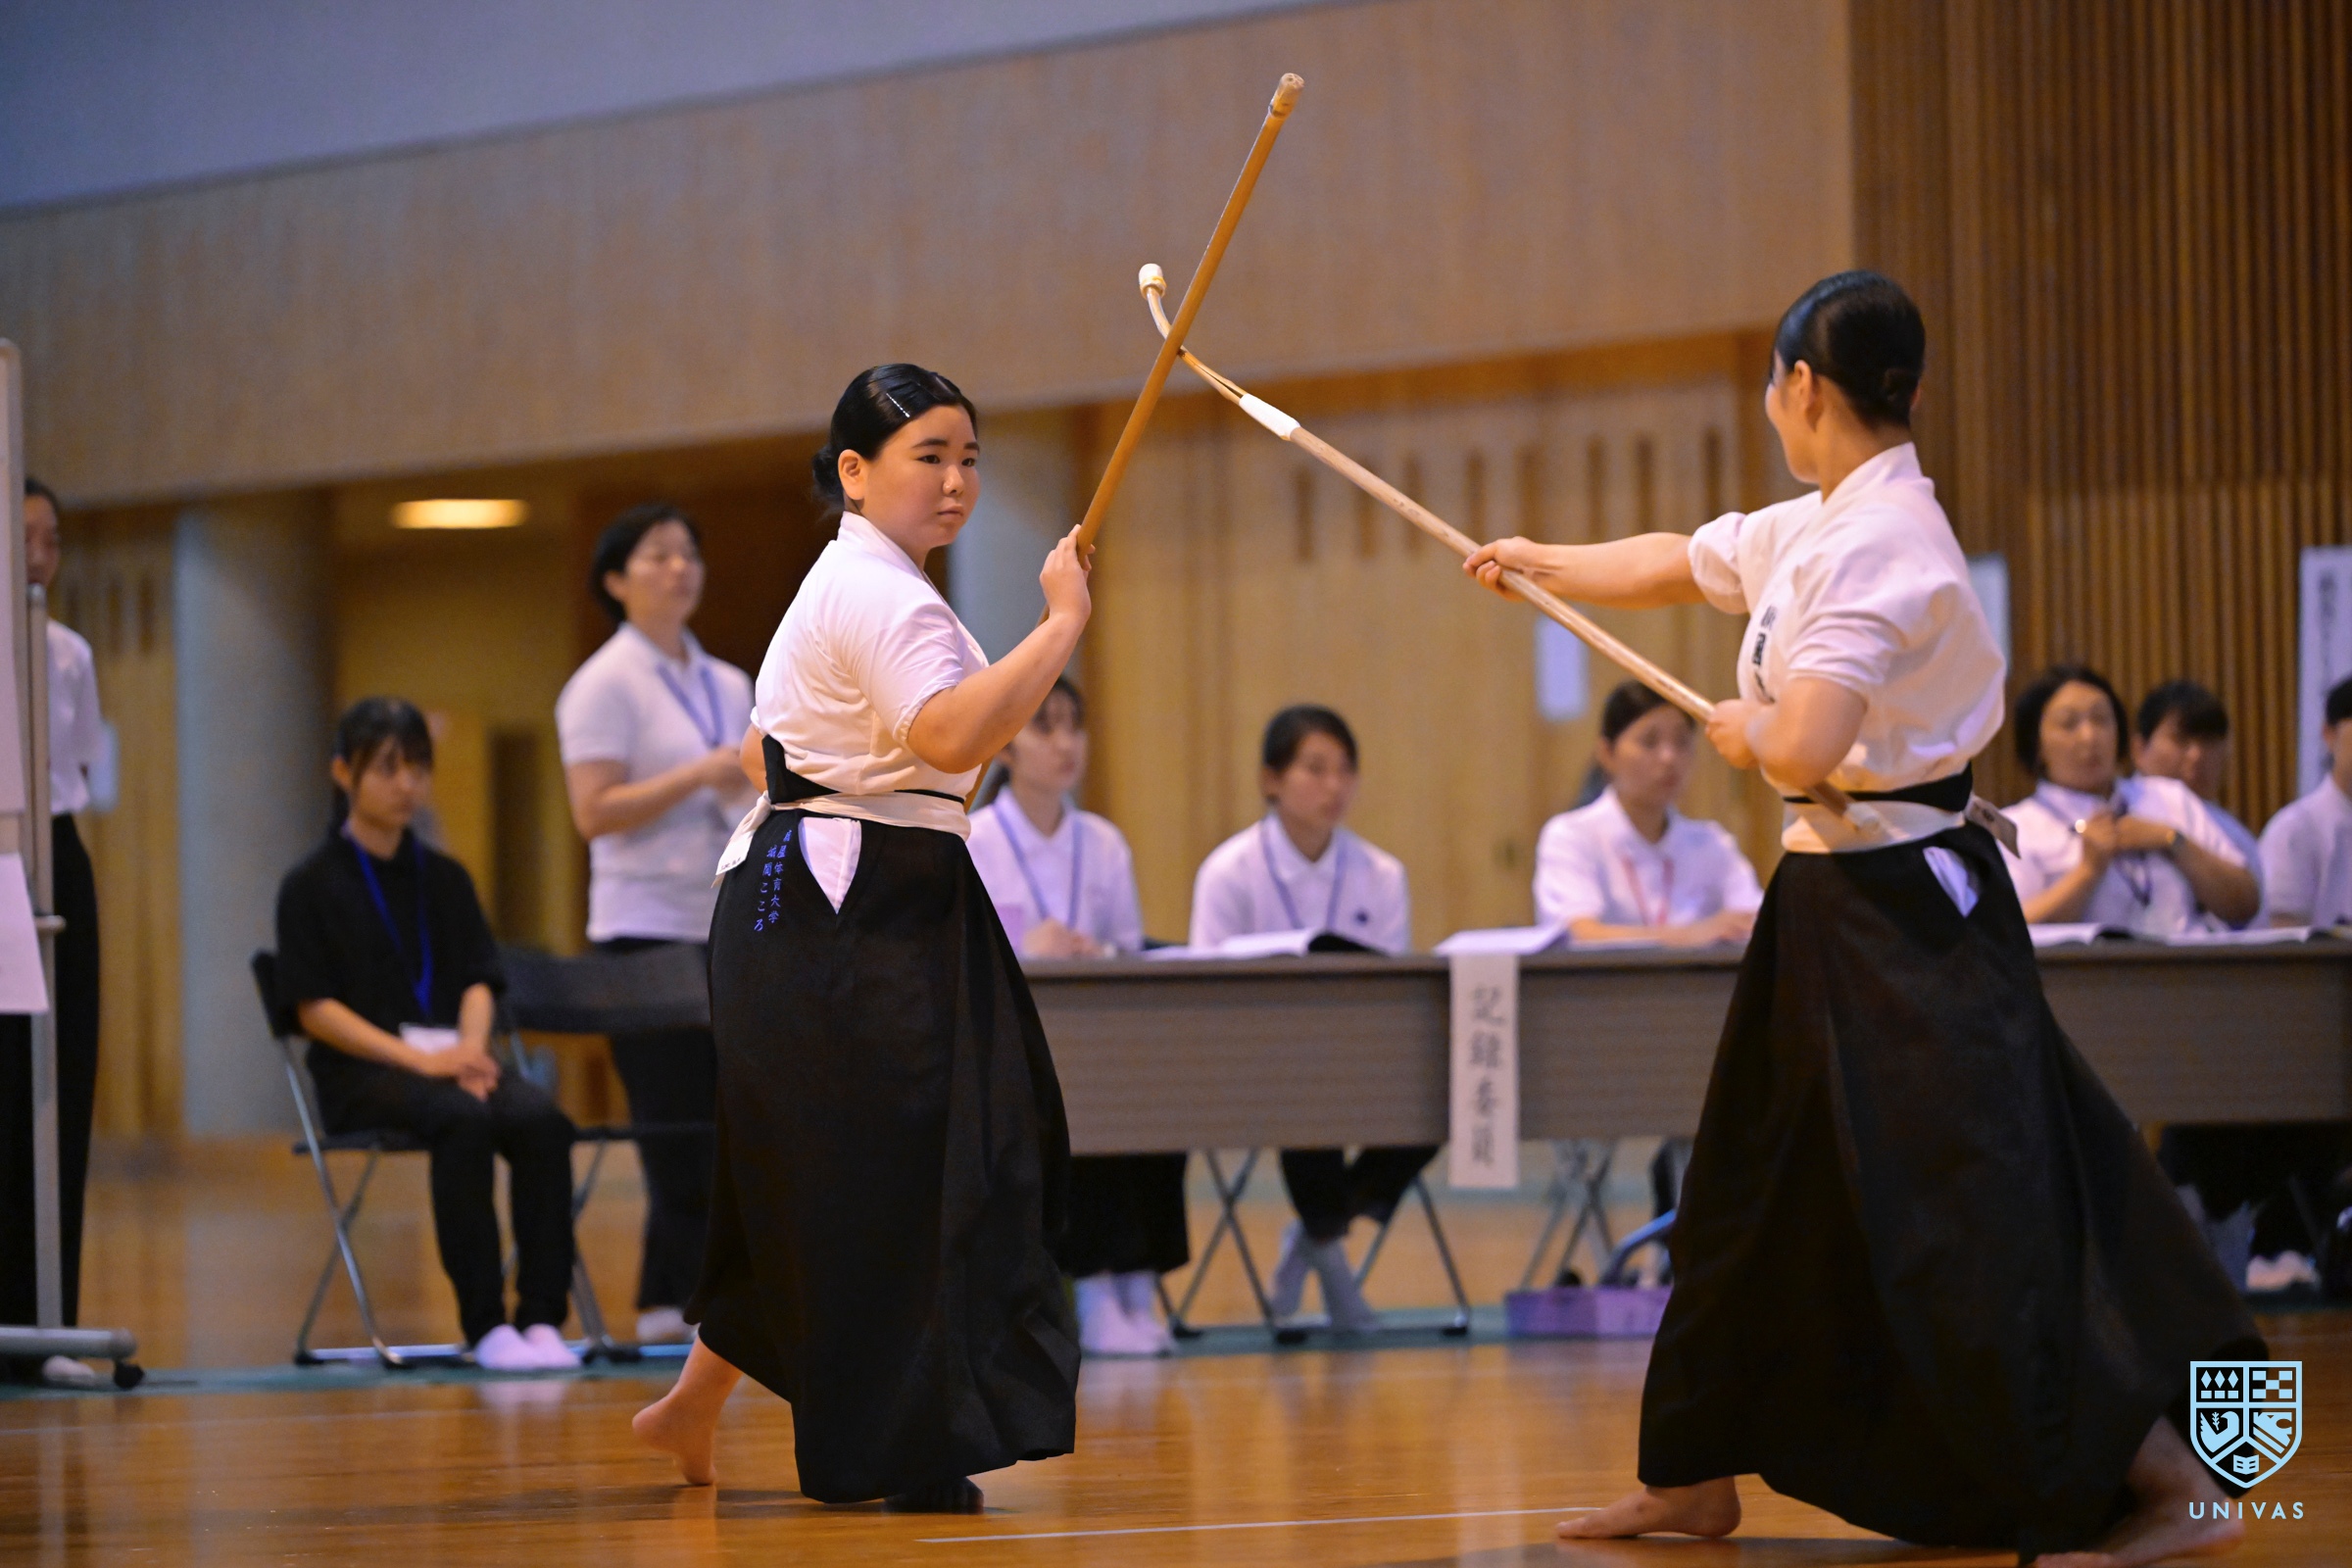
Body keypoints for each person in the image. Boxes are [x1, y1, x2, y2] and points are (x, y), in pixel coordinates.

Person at [1466, 270, 2257, 1566]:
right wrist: (1539, 562)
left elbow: (1801, 746)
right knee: (1742, 1183)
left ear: (1802, 386)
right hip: (1827, 903)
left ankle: (2176, 1477)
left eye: (1772, 386)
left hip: (1911, 920)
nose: (1769, 405)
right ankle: (1692, 1473)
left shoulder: (1884, 545)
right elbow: (1686, 559)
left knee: (1980, 1210)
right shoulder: (1830, 517)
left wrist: (1745, 731)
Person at [631, 365, 1082, 1511]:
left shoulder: (861, 584)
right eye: (929, 456)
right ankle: (894, 1446)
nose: (956, 480)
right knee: (891, 1171)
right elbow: (948, 737)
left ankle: (696, 1401)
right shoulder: (880, 593)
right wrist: (1064, 625)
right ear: (855, 471)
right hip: (843, 906)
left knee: (834, 1168)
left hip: (836, 894)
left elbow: (766, 750)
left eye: (969, 458)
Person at [274, 698, 581, 1371]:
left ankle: (540, 1319)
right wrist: (419, 1061)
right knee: (461, 1121)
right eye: (388, 768)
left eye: (418, 767)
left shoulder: (444, 878)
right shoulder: (310, 885)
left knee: (541, 1120)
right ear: (343, 773)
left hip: (452, 1062)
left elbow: (478, 979)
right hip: (363, 1075)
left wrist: (467, 1049)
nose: (407, 784)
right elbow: (315, 1010)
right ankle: (485, 1325)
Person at [556, 502, 753, 1346]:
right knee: (675, 1125)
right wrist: (697, 774)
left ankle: (691, 1301)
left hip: (725, 919)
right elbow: (593, 811)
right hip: (642, 928)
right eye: (658, 555)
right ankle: (675, 1304)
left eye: (688, 554)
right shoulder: (603, 683)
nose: (679, 568)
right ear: (614, 579)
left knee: (730, 1119)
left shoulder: (729, 682)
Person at [967, 676, 1186, 1357]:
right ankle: (1092, 1286)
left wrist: (1099, 951)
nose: (1065, 744)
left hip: (1098, 1034)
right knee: (1077, 1102)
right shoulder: (974, 838)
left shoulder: (1103, 842)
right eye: (1045, 727)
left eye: (1074, 726)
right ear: (1006, 747)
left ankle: (1137, 1279)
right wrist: (1025, 946)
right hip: (1010, 1044)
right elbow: (960, 953)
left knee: (1159, 1101)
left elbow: (1130, 946)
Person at [1188, 705, 1419, 1334]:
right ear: (1271, 779)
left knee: (1439, 1093)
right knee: (1306, 1090)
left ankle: (1317, 1235)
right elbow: (1202, 991)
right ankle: (1333, 1263)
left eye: (1345, 770)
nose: (1334, 786)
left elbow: (1394, 993)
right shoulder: (1229, 872)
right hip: (1251, 1065)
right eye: (1315, 769)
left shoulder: (1381, 874)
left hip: (1358, 1059)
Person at [2154, 673, 2352, 1294]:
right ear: (2329, 736)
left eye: (2210, 742)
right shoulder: (2298, 828)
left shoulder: (2232, 833)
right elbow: (2285, 950)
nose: (2197, 757)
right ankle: (2268, 1241)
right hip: (2279, 1028)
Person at [0, 476, 111, 1388]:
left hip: (56, 849)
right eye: (23, 537)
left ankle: (51, 1321)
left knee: (60, 1084)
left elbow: (77, 770)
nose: (40, 557)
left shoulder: (69, 653)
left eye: (54, 539)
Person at [2000, 664, 2259, 936]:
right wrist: (2087, 872)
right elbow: (2007, 933)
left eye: (2101, 719)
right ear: (2037, 745)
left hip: (2190, 960)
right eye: (2069, 724)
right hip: (2091, 964)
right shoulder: (2015, 828)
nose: (2090, 737)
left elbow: (2245, 903)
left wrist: (2172, 840)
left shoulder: (2169, 797)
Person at [1534, 679, 1764, 947]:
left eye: (1681, 742)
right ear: (1607, 753)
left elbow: (1755, 921)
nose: (1669, 757)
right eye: (1649, 742)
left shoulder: (1710, 842)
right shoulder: (1572, 836)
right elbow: (1580, 935)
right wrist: (1692, 936)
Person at [2133, 678, 2263, 879]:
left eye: (2209, 741)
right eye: (2180, 739)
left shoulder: (2237, 838)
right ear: (2139, 749)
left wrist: (2172, 840)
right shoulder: (2116, 811)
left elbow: (2250, 898)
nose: (2197, 755)